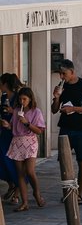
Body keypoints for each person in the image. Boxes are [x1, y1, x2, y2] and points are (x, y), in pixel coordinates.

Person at [52, 59, 82, 202]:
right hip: (65, 127)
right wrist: (56, 98)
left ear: (72, 72)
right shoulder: (61, 87)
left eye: (64, 73)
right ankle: (67, 191)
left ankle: (78, 194)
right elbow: (54, 110)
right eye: (60, 74)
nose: (61, 77)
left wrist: (74, 109)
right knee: (64, 162)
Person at [7, 86, 44, 210]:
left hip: (30, 142)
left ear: (30, 99)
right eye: (20, 99)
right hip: (17, 142)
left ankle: (37, 192)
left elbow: (39, 130)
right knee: (20, 174)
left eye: (24, 99)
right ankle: (25, 202)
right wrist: (7, 125)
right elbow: (12, 126)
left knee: (30, 171)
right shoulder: (17, 111)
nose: (22, 101)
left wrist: (26, 122)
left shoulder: (36, 112)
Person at [0, 74, 17, 203]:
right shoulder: (4, 97)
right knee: (3, 159)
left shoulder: (17, 98)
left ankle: (17, 191)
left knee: (14, 161)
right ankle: (11, 184)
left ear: (5, 84)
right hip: (4, 133)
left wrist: (12, 113)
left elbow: (25, 113)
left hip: (15, 133)